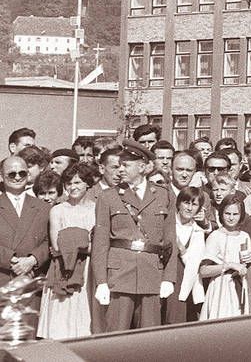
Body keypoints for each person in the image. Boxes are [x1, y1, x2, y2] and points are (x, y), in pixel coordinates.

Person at [91, 143, 177, 331]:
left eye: (126, 165)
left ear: (142, 167)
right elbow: (100, 243)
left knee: (149, 337)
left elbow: (170, 239)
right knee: (116, 335)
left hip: (151, 274)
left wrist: (169, 277)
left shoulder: (164, 195)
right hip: (120, 274)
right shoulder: (108, 197)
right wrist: (102, 282)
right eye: (119, 165)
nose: (120, 169)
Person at [37, 162, 96, 339]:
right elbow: (57, 245)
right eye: (69, 183)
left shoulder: (97, 208)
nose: (73, 187)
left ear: (87, 183)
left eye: (77, 182)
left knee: (84, 321)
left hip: (87, 270)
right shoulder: (58, 210)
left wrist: (74, 239)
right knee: (59, 321)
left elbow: (98, 245)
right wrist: (82, 240)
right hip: (62, 267)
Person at [0, 155, 51, 290]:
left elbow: (50, 241)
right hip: (3, 278)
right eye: (11, 174)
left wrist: (32, 260)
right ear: (1, 176)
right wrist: (12, 261)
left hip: (32, 278)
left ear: (28, 175)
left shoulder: (44, 207)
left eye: (22, 173)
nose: (17, 177)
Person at [199, 198, 251, 319]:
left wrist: (249, 262)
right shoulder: (215, 236)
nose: (231, 218)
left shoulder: (244, 236)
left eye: (235, 214)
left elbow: (245, 266)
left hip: (240, 287)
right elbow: (203, 271)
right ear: (221, 213)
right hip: (221, 286)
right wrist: (229, 265)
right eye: (227, 213)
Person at [163, 186, 206, 324]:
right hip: (160, 273)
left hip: (181, 278)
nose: (189, 208)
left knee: (174, 318)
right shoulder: (166, 224)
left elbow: (193, 264)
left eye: (194, 204)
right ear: (178, 203)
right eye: (186, 203)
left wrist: (182, 249)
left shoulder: (198, 232)